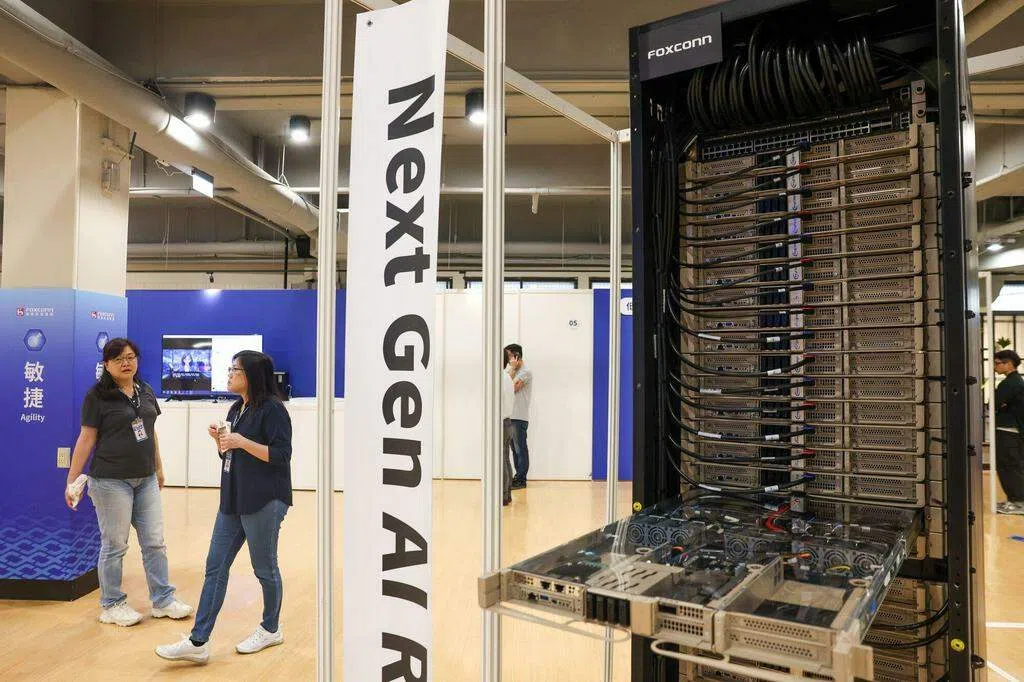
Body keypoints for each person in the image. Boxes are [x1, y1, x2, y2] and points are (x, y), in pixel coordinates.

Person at [157, 350, 292, 664]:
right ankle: (198, 640)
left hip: (264, 499)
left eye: (235, 369)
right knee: (215, 567)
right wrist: (221, 441)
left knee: (264, 568)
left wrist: (241, 441)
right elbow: (230, 454)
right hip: (232, 498)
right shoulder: (236, 407)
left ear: (252, 375)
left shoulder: (273, 409)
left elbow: (281, 455)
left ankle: (271, 628)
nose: (229, 374)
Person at [65, 338, 193, 627]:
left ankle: (163, 600)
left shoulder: (145, 390)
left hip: (145, 478)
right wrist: (72, 480)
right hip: (110, 481)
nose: (126, 363)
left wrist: (158, 468)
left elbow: (150, 431)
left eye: (131, 357)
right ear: (107, 364)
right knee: (115, 545)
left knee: (155, 542)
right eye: (119, 359)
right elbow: (86, 438)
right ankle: (111, 604)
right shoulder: (97, 397)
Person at [994, 349, 1024, 514]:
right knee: (1011, 466)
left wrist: (1002, 406)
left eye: (998, 363)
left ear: (1009, 364)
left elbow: (996, 403)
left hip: (1009, 431)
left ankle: (1018, 502)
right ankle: (1014, 500)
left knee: (1009, 466)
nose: (995, 367)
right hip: (1012, 430)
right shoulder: (1015, 382)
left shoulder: (1010, 384)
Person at [504, 343, 533, 489]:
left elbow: (511, 388)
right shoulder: (514, 372)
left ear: (516, 356)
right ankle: (517, 477)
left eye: (509, 356)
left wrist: (513, 369)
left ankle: (521, 478)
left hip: (519, 417)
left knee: (520, 449)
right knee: (514, 450)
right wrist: (512, 370)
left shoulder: (525, 372)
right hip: (511, 416)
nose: (507, 360)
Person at [501, 351, 515, 506]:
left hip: (501, 423)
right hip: (508, 422)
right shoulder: (507, 378)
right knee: (505, 459)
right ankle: (507, 493)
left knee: (501, 460)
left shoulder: (499, 378)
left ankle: (504, 495)